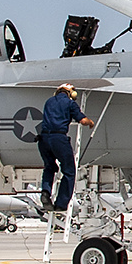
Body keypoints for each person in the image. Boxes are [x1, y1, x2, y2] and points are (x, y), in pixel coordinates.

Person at [38, 84, 94, 213]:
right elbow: (83, 121)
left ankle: (45, 192)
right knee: (69, 171)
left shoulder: (49, 102)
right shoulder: (69, 103)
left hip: (43, 139)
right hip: (59, 138)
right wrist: (90, 122)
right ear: (71, 93)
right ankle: (61, 204)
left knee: (49, 167)